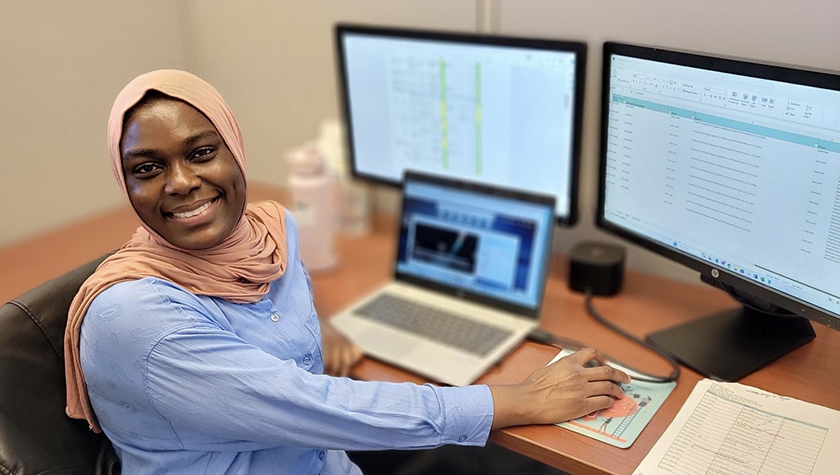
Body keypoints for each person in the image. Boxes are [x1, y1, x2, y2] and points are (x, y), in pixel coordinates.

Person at [63, 70, 630, 475]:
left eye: (202, 152)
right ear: (125, 182)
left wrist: (310, 330)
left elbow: (283, 349)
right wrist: (519, 400)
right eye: (148, 167)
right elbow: (313, 407)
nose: (182, 181)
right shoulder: (132, 320)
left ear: (235, 148)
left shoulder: (268, 233)